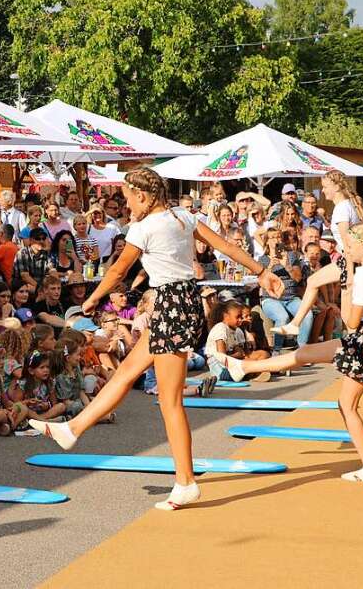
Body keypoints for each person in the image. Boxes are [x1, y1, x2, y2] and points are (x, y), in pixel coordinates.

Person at [30, 167, 282, 512]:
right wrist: (261, 271)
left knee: (170, 400)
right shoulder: (183, 216)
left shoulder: (145, 227)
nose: (127, 203)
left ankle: (186, 482)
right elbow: (224, 246)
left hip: (169, 305)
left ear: (144, 197)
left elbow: (119, 271)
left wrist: (91, 299)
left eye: (129, 197)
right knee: (125, 372)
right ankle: (73, 428)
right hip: (182, 303)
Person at [215, 221, 363, 483]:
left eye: (351, 246)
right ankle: (244, 367)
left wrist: (347, 288)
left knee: (347, 405)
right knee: (307, 353)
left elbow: (352, 321)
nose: (347, 251)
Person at [277, 170, 363, 340]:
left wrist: (351, 273)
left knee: (347, 313)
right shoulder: (347, 206)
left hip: (349, 263)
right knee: (313, 281)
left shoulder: (341, 209)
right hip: (348, 261)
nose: (323, 191)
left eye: (325, 187)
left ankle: (355, 343)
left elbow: (348, 242)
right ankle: (295, 325)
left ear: (336, 186)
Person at [258, 227, 311, 347]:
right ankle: (276, 351)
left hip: (291, 298)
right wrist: (270, 267)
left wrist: (286, 265)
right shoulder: (263, 259)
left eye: (278, 237)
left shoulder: (291, 256)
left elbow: (297, 278)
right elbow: (260, 283)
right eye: (272, 238)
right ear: (267, 241)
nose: (276, 240)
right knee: (283, 317)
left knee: (307, 314)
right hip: (271, 299)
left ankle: (302, 348)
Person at [205, 300, 270, 383]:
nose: (240, 320)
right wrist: (238, 355)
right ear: (226, 316)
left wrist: (241, 354)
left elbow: (241, 351)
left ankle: (258, 372)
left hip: (231, 361)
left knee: (264, 354)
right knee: (252, 363)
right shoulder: (220, 328)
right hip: (221, 369)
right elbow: (221, 357)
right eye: (238, 317)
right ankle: (258, 372)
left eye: (241, 317)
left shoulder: (237, 330)